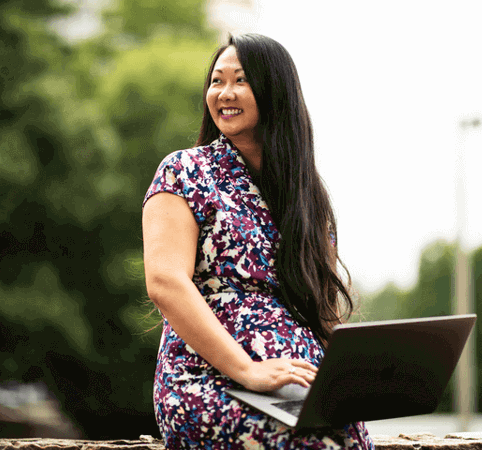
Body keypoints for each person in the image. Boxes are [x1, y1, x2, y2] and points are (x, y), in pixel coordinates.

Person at [142, 33, 375, 449]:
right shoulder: (184, 171)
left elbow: (319, 309)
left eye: (240, 81)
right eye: (216, 81)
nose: (224, 93)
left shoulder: (308, 197)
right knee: (311, 442)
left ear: (274, 92)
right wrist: (247, 369)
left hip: (299, 391)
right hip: (207, 381)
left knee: (352, 437)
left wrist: (351, 379)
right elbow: (165, 284)